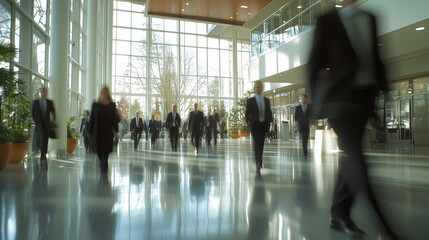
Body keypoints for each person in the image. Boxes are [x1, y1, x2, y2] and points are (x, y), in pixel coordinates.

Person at [307, 1, 398, 239]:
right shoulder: (327, 21)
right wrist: (315, 104)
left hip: (363, 102)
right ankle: (387, 227)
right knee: (358, 160)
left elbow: (376, 59)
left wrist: (386, 92)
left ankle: (338, 212)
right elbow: (313, 64)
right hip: (339, 103)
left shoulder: (370, 17)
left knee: (351, 157)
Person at [88, 87, 119, 173]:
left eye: (105, 92)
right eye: (102, 92)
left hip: (107, 133)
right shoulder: (95, 104)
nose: (104, 94)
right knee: (99, 152)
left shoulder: (112, 105)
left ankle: (104, 170)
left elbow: (114, 120)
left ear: (108, 93)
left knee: (105, 152)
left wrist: (116, 131)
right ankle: (103, 163)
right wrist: (89, 131)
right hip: (97, 132)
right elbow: (92, 119)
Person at [245, 82, 273, 171]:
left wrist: (271, 121)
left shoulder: (266, 100)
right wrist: (248, 122)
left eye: (260, 87)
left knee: (261, 144)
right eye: (256, 87)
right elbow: (247, 113)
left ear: (262, 88)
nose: (258, 88)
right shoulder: (250, 101)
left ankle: (259, 159)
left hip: (264, 125)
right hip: (255, 125)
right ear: (254, 88)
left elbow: (269, 112)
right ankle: (258, 161)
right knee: (257, 143)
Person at [32, 86, 56, 161]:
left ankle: (43, 153)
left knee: (45, 139)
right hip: (39, 123)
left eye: (44, 92)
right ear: (40, 93)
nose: (43, 93)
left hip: (46, 124)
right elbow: (33, 113)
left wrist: (52, 121)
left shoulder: (49, 102)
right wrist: (36, 121)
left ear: (46, 93)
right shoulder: (35, 102)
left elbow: (54, 113)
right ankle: (37, 150)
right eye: (41, 92)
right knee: (39, 137)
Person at [295, 94, 310, 159]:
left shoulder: (309, 107)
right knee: (303, 139)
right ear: (301, 99)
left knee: (306, 139)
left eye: (305, 99)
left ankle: (305, 151)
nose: (304, 100)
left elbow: (311, 114)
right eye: (303, 98)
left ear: (307, 99)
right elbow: (296, 116)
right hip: (301, 126)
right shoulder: (298, 107)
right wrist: (296, 123)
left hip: (306, 125)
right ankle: (305, 153)